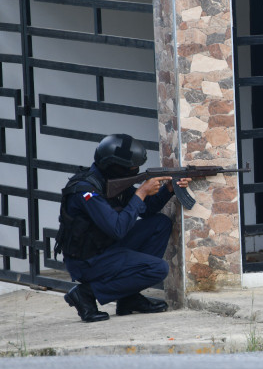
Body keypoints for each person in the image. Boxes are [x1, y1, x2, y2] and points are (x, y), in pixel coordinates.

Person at [54, 134, 190, 322]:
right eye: (132, 167)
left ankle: (128, 298)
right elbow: (117, 228)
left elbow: (148, 210)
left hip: (105, 247)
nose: (136, 171)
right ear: (115, 166)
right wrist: (141, 192)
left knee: (160, 224)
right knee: (158, 269)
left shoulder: (109, 181)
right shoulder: (86, 190)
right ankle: (85, 294)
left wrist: (168, 189)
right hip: (87, 259)